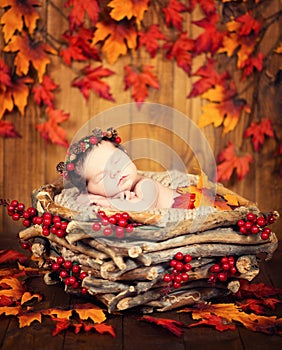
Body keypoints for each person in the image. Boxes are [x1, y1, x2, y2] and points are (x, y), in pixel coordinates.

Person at [57, 127, 177, 212]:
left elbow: (143, 208)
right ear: (89, 190)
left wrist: (107, 202)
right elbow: (82, 199)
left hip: (189, 204)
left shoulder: (146, 184)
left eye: (116, 161)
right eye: (102, 177)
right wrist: (94, 198)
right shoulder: (117, 192)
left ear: (125, 154)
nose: (115, 172)